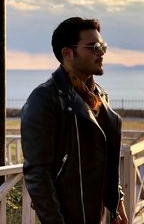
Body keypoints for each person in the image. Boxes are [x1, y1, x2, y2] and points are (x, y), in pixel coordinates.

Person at [21, 17, 128, 224]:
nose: (102, 52)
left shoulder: (99, 97)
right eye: (94, 47)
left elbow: (106, 162)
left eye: (103, 46)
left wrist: (117, 203)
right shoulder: (44, 99)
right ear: (67, 53)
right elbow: (37, 174)